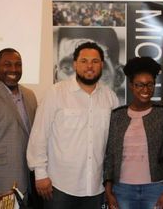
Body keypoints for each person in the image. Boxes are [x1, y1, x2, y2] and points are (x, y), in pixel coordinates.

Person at [27, 42, 119, 209]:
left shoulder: (110, 97)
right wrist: (40, 174)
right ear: (75, 64)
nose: (89, 66)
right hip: (58, 186)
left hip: (95, 187)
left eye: (95, 61)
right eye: (84, 61)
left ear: (102, 65)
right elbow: (39, 134)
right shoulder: (56, 93)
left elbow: (114, 144)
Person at [104, 57, 163, 209]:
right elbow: (110, 155)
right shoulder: (117, 115)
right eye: (140, 85)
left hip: (156, 188)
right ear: (131, 85)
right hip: (122, 189)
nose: (145, 89)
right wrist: (108, 190)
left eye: (150, 84)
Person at [0, 48, 38, 208]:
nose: (13, 69)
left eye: (18, 65)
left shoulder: (29, 95)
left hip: (27, 181)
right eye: (7, 64)